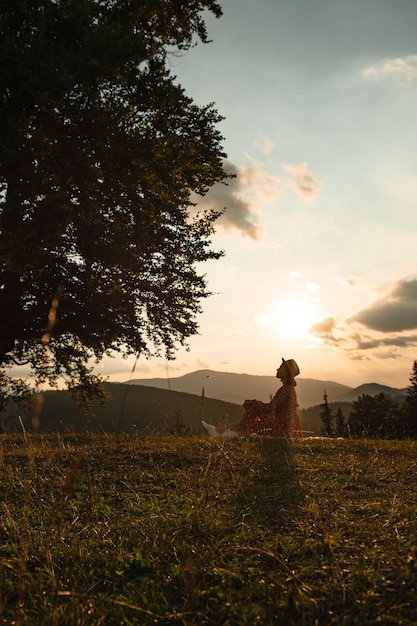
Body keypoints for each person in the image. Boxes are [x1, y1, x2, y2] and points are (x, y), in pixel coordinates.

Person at [201, 358, 303, 438]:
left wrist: (253, 403)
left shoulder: (286, 389)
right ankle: (223, 431)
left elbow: (270, 409)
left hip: (282, 427)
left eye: (281, 368)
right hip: (284, 424)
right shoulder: (288, 389)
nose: (277, 369)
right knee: (252, 411)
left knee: (252, 411)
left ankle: (222, 431)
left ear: (287, 373)